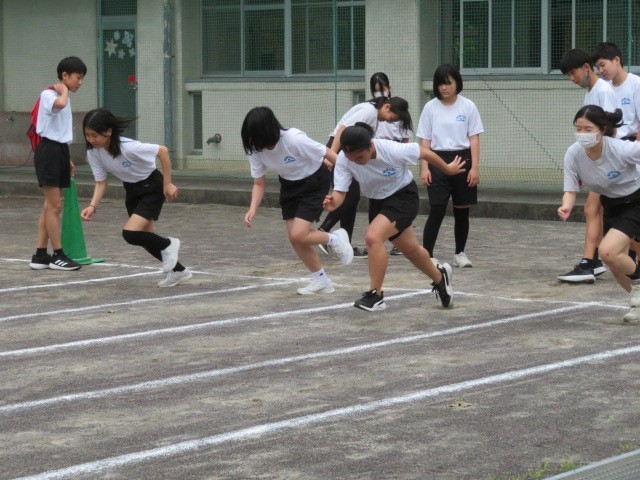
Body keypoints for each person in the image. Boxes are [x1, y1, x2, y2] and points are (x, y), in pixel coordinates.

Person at [324, 123, 465, 312]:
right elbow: (341, 191)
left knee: (373, 237)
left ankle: (375, 295)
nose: (356, 162)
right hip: (378, 202)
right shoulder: (344, 159)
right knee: (411, 249)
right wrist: (334, 201)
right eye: (351, 158)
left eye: (359, 157)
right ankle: (440, 277)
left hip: (403, 196)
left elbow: (424, 152)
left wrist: (448, 169)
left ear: (371, 146)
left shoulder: (390, 149)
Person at [241, 106, 353, 295]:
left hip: (314, 181)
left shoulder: (293, 139)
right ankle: (322, 281)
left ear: (267, 130)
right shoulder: (255, 150)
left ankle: (334, 239)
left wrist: (353, 173)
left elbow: (327, 153)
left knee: (299, 234)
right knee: (295, 239)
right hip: (289, 186)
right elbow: (259, 183)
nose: (254, 142)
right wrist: (252, 208)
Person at [80, 109, 190, 288]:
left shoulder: (128, 147)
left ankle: (169, 244)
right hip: (131, 190)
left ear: (108, 131)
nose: (91, 140)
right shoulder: (94, 152)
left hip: (151, 186)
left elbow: (162, 151)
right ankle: (179, 271)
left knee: (130, 234)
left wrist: (168, 184)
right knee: (145, 238)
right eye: (87, 135)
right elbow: (100, 182)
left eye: (95, 135)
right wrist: (92, 206)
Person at [557, 105, 640, 321]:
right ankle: (637, 302)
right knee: (614, 263)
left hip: (635, 200)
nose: (582, 134)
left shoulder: (620, 149)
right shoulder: (573, 154)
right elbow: (570, 190)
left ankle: (639, 283)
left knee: (607, 252)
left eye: (588, 129)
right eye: (578, 128)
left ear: (602, 130)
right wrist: (566, 205)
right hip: (611, 204)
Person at [316, 93, 413, 258]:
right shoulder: (370, 111)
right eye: (392, 118)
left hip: (349, 151)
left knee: (352, 198)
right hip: (341, 149)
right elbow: (342, 130)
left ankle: (345, 244)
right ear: (387, 107)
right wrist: (332, 155)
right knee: (350, 196)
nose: (390, 122)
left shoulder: (376, 116)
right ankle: (323, 232)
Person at [557, 48, 617, 283]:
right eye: (568, 75)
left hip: (608, 162)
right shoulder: (592, 92)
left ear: (585, 68)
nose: (572, 78)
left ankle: (588, 263)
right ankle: (593, 261)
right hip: (599, 161)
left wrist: (595, 162)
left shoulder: (603, 90)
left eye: (573, 73)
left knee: (593, 210)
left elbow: (611, 129)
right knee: (595, 211)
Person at [416, 64, 484, 268]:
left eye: (448, 83)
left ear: (457, 83)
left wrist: (475, 167)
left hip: (463, 160)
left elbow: (474, 139)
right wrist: (424, 168)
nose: (444, 88)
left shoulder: (468, 106)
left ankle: (460, 253)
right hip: (437, 159)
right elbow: (425, 141)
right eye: (440, 84)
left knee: (462, 210)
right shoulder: (430, 107)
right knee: (436, 208)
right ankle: (427, 255)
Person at [29, 56, 87, 271]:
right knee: (55, 206)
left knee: (49, 205)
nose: (80, 82)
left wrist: (67, 158)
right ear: (65, 75)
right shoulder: (49, 94)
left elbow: (58, 130)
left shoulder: (63, 96)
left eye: (82, 78)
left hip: (59, 150)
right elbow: (59, 105)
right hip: (49, 151)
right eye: (77, 77)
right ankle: (58, 255)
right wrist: (63, 91)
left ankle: (40, 255)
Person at [369, 72, 414, 257]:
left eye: (383, 89)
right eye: (376, 90)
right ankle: (375, 236)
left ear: (389, 88)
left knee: (397, 194)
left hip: (394, 154)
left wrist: (401, 158)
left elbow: (406, 139)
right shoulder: (371, 111)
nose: (380, 93)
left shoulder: (398, 109)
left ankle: (399, 240)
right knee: (376, 193)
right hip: (376, 156)